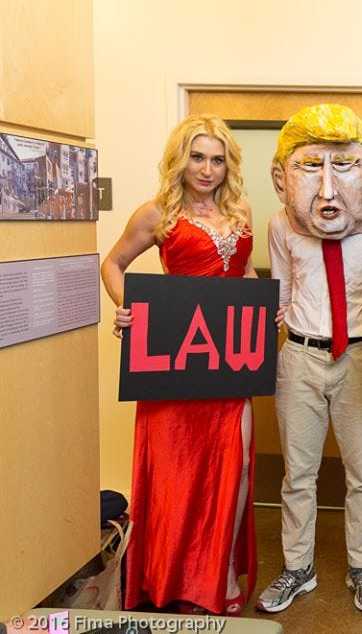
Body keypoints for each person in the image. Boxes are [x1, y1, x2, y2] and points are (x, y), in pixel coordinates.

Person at [101, 114, 263, 615]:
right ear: (180, 159)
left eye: (217, 159)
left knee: (235, 468)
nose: (207, 169)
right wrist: (128, 308)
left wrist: (264, 306)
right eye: (197, 157)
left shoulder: (241, 210)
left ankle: (220, 576)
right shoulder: (157, 214)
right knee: (179, 476)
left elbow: (244, 272)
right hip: (175, 362)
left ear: (228, 165)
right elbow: (112, 263)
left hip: (230, 360)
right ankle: (176, 581)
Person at [256, 104, 362, 615]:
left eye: (345, 167)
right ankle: (298, 566)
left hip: (358, 357)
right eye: (311, 168)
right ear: (282, 179)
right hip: (300, 356)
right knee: (298, 474)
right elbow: (281, 292)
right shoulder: (281, 226)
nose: (328, 190)